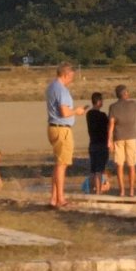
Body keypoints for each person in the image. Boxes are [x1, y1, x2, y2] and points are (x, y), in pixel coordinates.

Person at [45, 63, 84, 208]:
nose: (71, 80)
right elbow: (64, 112)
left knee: (58, 163)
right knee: (62, 164)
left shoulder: (51, 87)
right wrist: (77, 111)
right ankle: (60, 198)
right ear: (66, 74)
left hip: (52, 127)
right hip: (62, 129)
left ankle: (54, 198)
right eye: (71, 76)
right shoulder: (62, 90)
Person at [84, 92, 110, 194]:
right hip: (101, 144)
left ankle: (90, 190)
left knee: (93, 170)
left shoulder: (89, 114)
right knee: (99, 169)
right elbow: (108, 127)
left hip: (92, 144)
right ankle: (98, 192)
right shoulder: (102, 116)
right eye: (102, 100)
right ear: (99, 102)